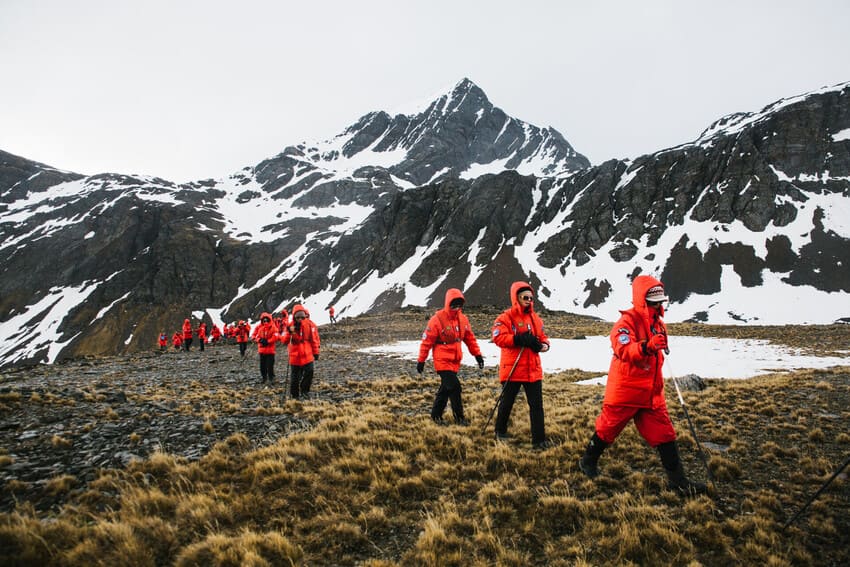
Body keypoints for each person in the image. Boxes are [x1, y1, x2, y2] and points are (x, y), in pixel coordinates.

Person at [578, 275, 707, 496]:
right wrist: (647, 346)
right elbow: (623, 349)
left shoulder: (658, 324)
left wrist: (658, 345)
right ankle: (587, 461)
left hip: (651, 393)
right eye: (653, 302)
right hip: (626, 391)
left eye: (660, 302)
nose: (658, 306)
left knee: (665, 434)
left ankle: (678, 481)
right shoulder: (626, 322)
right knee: (607, 429)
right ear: (642, 299)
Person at [491, 281, 551, 450]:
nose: (529, 300)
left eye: (531, 298)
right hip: (513, 369)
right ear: (516, 298)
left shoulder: (536, 319)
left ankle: (539, 441)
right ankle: (500, 431)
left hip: (533, 369)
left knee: (537, 406)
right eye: (525, 297)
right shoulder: (505, 318)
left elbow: (544, 338)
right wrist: (518, 339)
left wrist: (543, 346)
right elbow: (498, 337)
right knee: (507, 402)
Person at [416, 288, 484, 425]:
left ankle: (435, 416)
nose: (456, 308)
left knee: (446, 389)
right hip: (442, 360)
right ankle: (459, 418)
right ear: (448, 303)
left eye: (459, 305)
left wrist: (477, 355)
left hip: (455, 361)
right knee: (455, 387)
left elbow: (470, 339)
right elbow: (427, 341)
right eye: (454, 305)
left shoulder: (463, 319)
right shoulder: (437, 320)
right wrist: (421, 360)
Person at [282, 305, 320, 399]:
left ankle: (305, 391)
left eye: (302, 317)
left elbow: (313, 340)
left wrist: (316, 352)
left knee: (309, 373)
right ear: (294, 316)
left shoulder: (309, 325)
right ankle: (294, 395)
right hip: (295, 356)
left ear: (305, 316)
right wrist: (289, 332)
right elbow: (285, 341)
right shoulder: (290, 326)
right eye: (298, 317)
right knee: (295, 378)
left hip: (307, 355)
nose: (300, 319)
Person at [252, 312, 280, 384]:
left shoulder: (273, 327)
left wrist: (268, 341)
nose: (265, 322)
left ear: (270, 320)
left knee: (270, 366)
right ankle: (264, 378)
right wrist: (259, 340)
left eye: (267, 320)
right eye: (264, 320)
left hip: (270, 351)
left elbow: (276, 336)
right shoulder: (259, 327)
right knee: (262, 366)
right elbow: (254, 335)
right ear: (262, 320)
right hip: (262, 350)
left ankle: (271, 378)